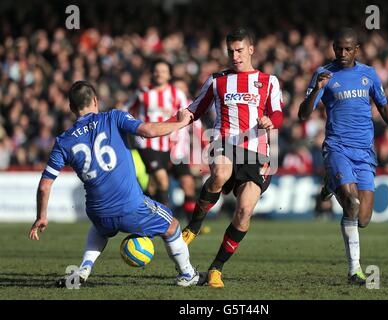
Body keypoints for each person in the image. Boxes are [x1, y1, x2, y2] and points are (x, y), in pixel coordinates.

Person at [28, 80, 202, 287]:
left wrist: (42, 216)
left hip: (97, 211)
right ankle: (187, 274)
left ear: (71, 107)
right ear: (95, 100)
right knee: (172, 225)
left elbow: (44, 185)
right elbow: (148, 131)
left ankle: (84, 269)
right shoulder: (114, 117)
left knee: (100, 229)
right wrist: (181, 123)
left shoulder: (63, 141)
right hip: (130, 205)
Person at [298, 27, 388, 285]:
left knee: (363, 219)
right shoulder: (324, 74)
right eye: (338, 48)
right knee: (351, 201)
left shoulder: (368, 75)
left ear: (357, 49)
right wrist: (317, 89)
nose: (343, 53)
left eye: (348, 49)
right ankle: (354, 270)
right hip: (337, 147)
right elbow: (303, 114)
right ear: (333, 48)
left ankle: (328, 184)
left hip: (364, 152)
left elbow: (383, 105)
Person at [181, 27, 284, 287]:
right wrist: (173, 122)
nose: (235, 56)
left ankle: (216, 268)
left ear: (251, 49)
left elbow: (278, 113)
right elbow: (194, 109)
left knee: (244, 211)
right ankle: (193, 227)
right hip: (225, 142)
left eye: (239, 50)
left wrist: (269, 121)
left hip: (258, 153)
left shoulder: (268, 81)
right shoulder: (217, 80)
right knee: (220, 173)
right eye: (230, 51)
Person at [126, 60, 196, 218]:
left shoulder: (177, 95)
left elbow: (185, 117)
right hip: (148, 143)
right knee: (162, 181)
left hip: (171, 146)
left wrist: (181, 141)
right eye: (157, 70)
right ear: (152, 73)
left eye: (163, 71)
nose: (159, 74)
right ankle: (165, 222)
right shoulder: (142, 93)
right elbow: (126, 110)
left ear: (169, 74)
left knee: (185, 183)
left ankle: (191, 225)